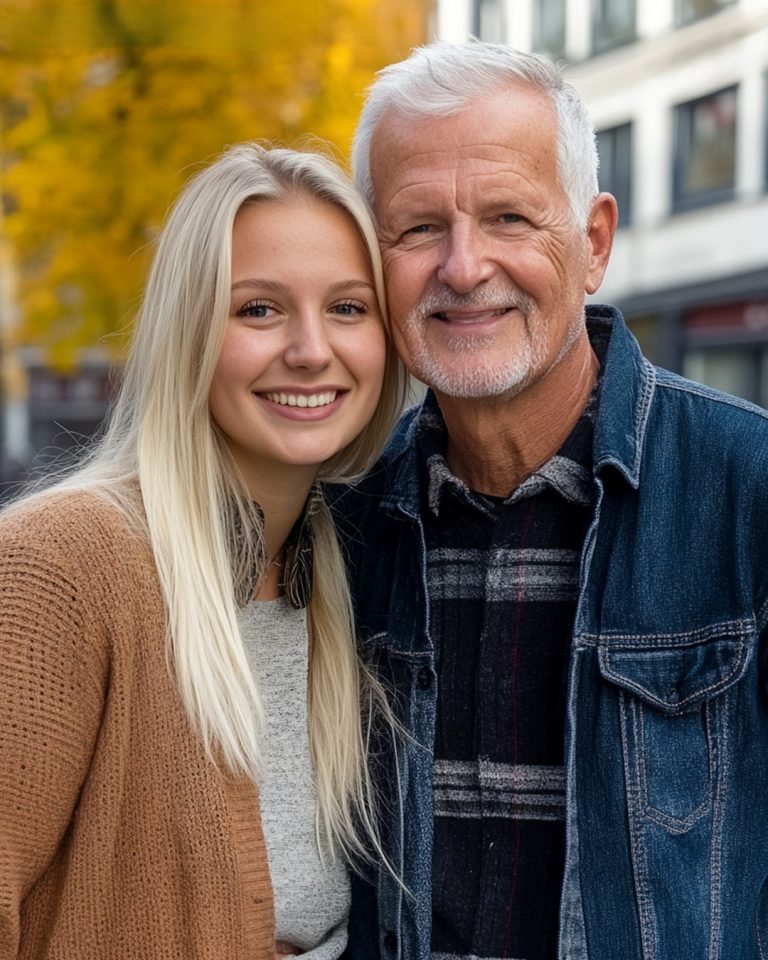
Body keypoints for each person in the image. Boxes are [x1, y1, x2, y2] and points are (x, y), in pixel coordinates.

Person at [333, 40, 768, 960]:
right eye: (416, 229)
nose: (462, 266)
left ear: (595, 242)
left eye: (508, 217)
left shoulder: (748, 488)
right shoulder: (341, 527)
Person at [0, 143, 405, 959]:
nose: (310, 349)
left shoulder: (345, 575)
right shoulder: (59, 568)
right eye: (258, 309)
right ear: (189, 331)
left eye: (349, 308)